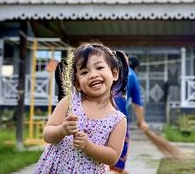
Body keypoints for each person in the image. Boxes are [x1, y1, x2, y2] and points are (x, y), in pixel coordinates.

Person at [34, 43, 129, 173]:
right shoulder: (69, 103)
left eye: (99, 67)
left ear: (114, 73)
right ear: (78, 84)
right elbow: (47, 135)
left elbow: (113, 157)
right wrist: (62, 130)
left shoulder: (118, 120)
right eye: (84, 72)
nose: (93, 74)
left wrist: (88, 146)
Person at [110, 56, 149, 174]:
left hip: (101, 112)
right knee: (121, 144)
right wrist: (141, 121)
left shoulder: (111, 71)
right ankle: (117, 170)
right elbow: (138, 104)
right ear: (136, 68)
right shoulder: (133, 77)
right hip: (119, 117)